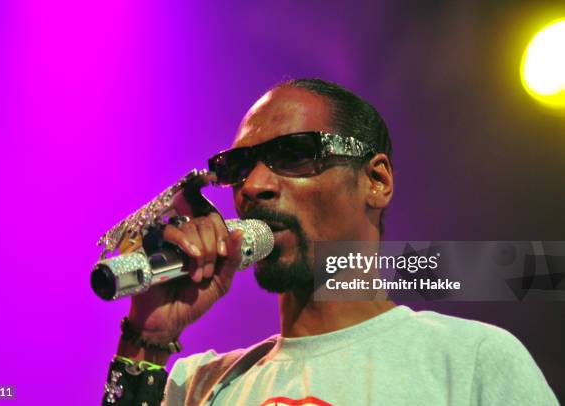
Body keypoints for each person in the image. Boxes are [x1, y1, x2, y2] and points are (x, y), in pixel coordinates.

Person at [102, 79, 558, 405]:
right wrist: (148, 337)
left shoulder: (470, 361)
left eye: (293, 155)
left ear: (376, 181)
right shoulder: (193, 385)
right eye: (239, 167)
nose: (255, 185)